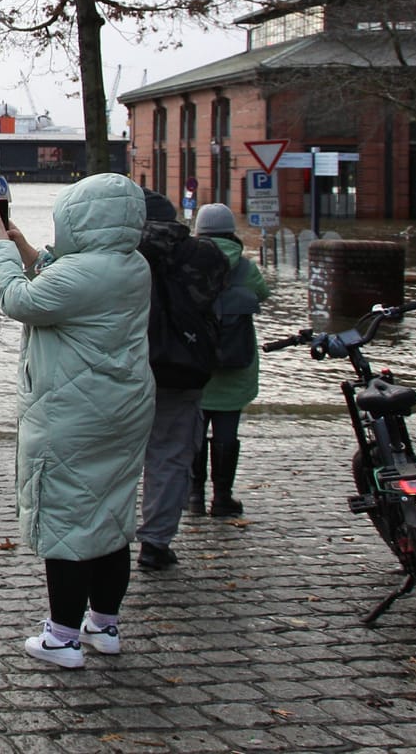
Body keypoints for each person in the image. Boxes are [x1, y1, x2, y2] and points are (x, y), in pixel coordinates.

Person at [0, 173, 155, 669]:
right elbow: (66, 282)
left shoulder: (80, 277)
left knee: (65, 521)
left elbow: (20, 301)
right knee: (109, 517)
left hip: (73, 414)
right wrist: (25, 247)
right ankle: (103, 625)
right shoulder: (131, 264)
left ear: (80, 221)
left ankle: (61, 638)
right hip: (121, 409)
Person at [133, 189, 226, 571]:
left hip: (126, 367)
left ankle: (102, 542)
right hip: (183, 367)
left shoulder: (119, 255)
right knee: (170, 457)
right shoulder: (204, 254)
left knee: (112, 456)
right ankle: (155, 542)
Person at [193, 203, 270, 518]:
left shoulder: (191, 264)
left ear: (199, 232)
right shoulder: (246, 268)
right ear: (231, 232)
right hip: (236, 365)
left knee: (193, 433)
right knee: (227, 434)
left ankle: (193, 496)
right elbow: (262, 294)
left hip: (196, 366)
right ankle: (222, 498)